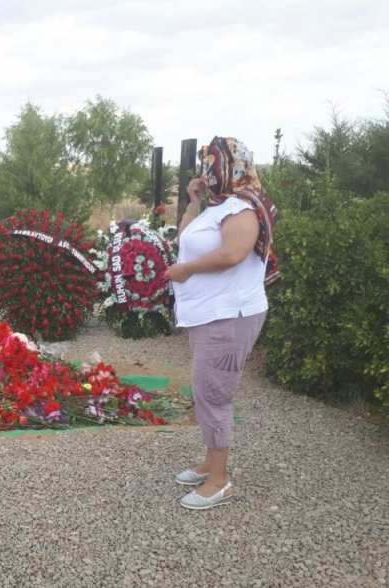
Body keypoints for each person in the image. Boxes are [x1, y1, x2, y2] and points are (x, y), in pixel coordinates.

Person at [164, 136, 279, 510]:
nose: (207, 172)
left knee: (214, 394)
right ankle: (210, 463)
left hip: (230, 315)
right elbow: (185, 238)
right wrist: (194, 203)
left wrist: (185, 271)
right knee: (205, 390)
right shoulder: (217, 206)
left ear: (233, 165)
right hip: (209, 314)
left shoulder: (244, 206)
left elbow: (233, 253)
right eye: (205, 165)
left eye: (213, 164)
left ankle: (219, 482)